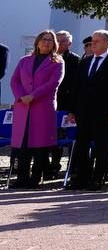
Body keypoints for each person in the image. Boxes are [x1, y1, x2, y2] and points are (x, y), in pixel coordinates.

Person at [66, 30, 108, 190]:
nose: (93, 43)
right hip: (83, 111)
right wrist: (72, 110)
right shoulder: (85, 62)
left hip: (103, 112)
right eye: (93, 41)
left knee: (100, 146)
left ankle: (98, 178)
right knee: (81, 145)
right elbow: (76, 87)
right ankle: (80, 178)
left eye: (97, 41)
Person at [8, 30, 64, 188]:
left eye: (50, 40)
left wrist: (33, 96)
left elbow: (53, 83)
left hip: (42, 107)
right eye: (44, 39)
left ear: (54, 44)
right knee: (23, 144)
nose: (47, 42)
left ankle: (35, 178)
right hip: (23, 107)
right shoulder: (24, 60)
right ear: (37, 42)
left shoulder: (57, 62)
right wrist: (21, 97)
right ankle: (21, 178)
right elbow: (14, 81)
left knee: (40, 144)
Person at [50, 31, 80, 180]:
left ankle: (64, 167)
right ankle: (48, 167)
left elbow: (76, 85)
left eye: (63, 41)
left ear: (69, 43)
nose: (60, 44)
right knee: (51, 137)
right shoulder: (48, 57)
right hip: (50, 103)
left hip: (67, 105)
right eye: (58, 41)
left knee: (65, 137)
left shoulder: (75, 60)